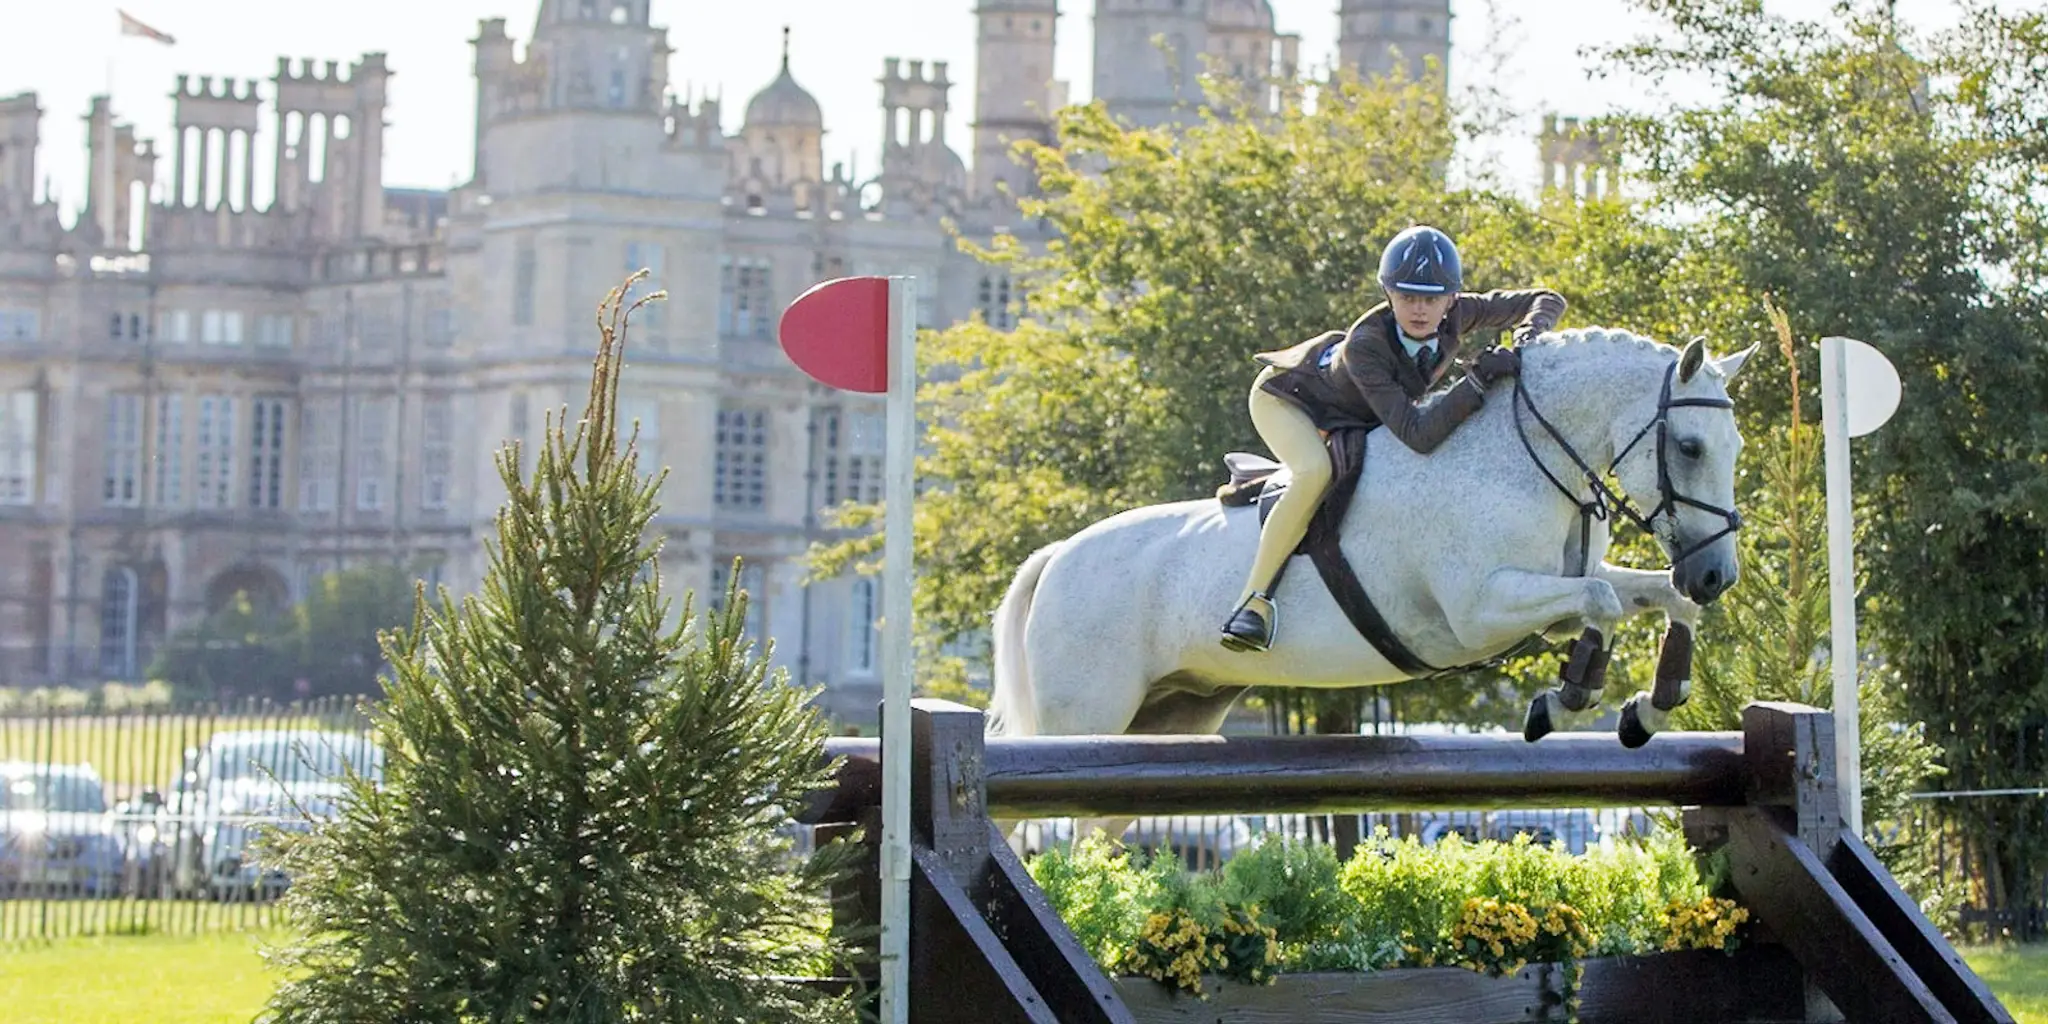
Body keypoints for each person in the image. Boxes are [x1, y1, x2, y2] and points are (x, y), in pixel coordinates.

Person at [1218, 225, 1567, 653]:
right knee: (1316, 473)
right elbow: (1418, 436)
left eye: (1431, 298)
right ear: (1388, 294)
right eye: (1406, 297)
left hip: (1356, 411)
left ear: (1452, 298)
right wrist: (1475, 382)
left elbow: (1546, 298)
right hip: (1289, 400)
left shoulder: (1461, 313)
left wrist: (1531, 332)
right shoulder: (1366, 346)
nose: (1419, 309)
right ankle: (1252, 603)